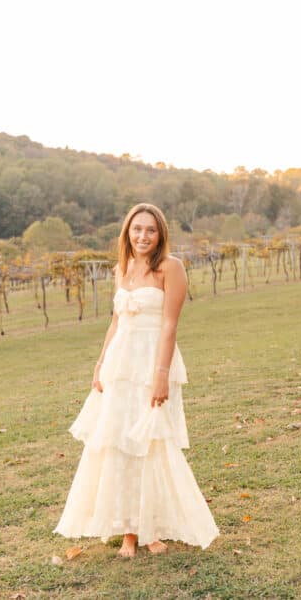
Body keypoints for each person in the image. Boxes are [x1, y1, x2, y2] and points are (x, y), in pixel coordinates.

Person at [54, 202, 219, 557]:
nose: (143, 236)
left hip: (151, 362)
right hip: (120, 365)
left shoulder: (170, 268)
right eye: (136, 229)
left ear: (160, 234)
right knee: (118, 443)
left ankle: (152, 528)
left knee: (149, 443)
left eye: (150, 230)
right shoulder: (122, 268)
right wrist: (100, 363)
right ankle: (128, 530)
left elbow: (170, 325)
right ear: (127, 232)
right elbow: (115, 322)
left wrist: (160, 375)